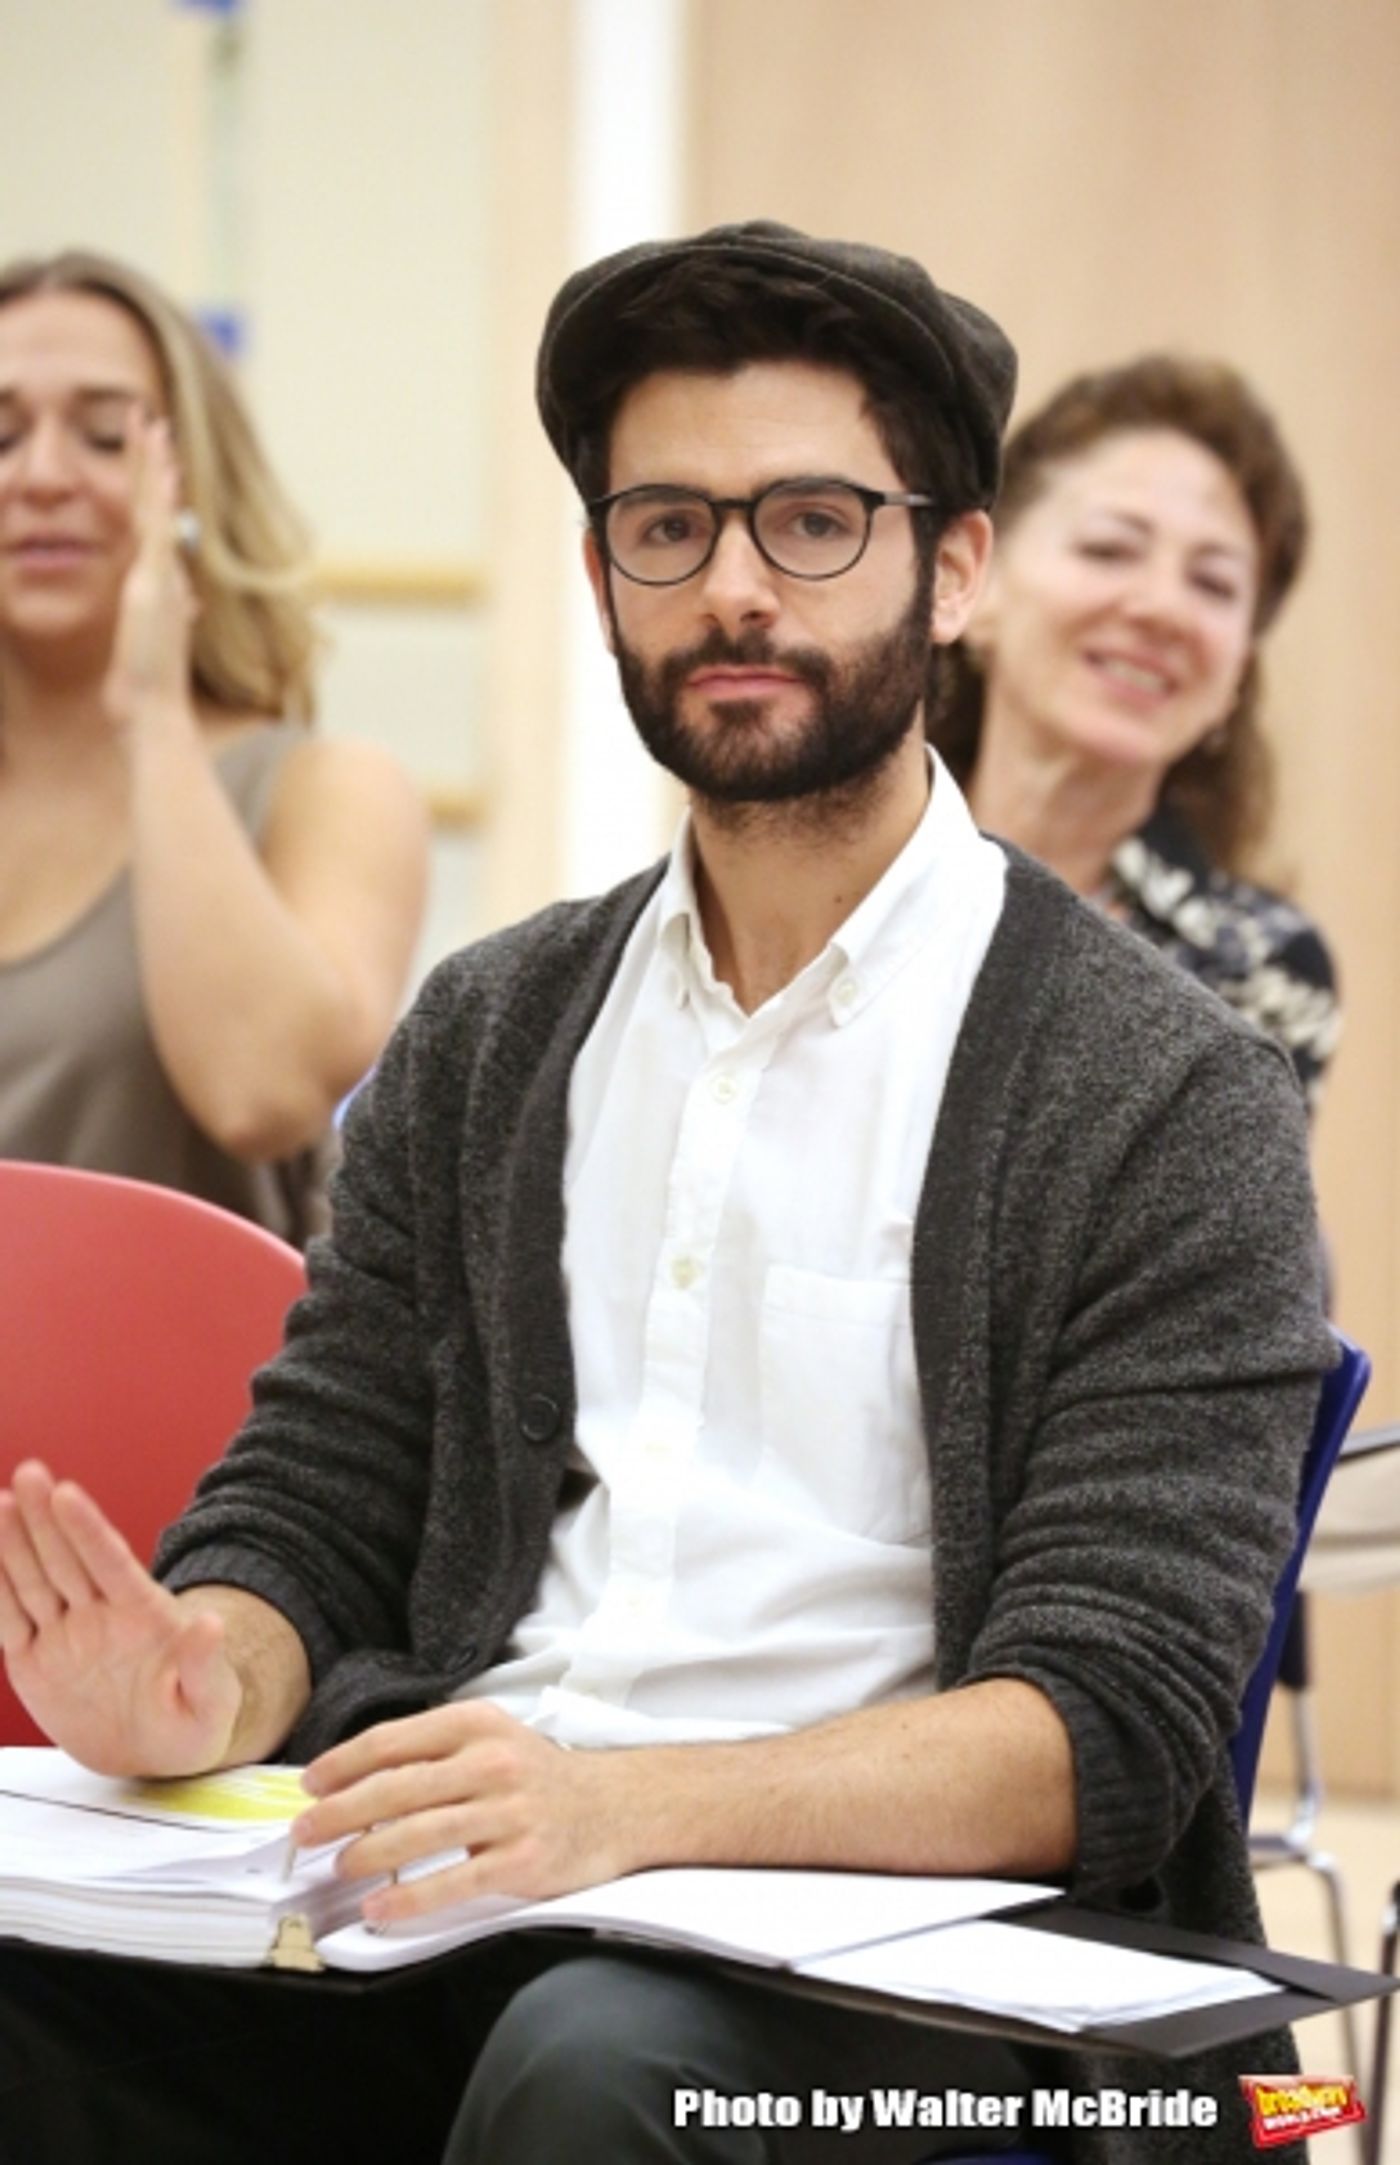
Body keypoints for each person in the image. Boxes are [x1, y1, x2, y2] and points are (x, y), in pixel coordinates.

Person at [0, 224, 1331, 2165]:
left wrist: (623, 1802)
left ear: (951, 564)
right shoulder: (490, 1028)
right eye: (663, 525)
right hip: (474, 1892)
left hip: (940, 1988)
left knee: (592, 2062)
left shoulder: (1163, 1092)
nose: (729, 588)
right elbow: (322, 1488)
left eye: (809, 521)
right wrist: (210, 1667)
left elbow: (1105, 1719)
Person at [0, 250, 427, 1243]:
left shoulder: (326, 789)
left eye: (106, 437)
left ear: (194, 479)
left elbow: (261, 1091)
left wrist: (152, 706)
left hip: (201, 1393)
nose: (44, 476)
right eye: (2, 433)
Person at [930, 354, 1338, 1110]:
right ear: (976, 588)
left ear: (1234, 681)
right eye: (1109, 549)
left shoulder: (1260, 966)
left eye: (1213, 584)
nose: (1161, 609)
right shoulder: (832, 874)